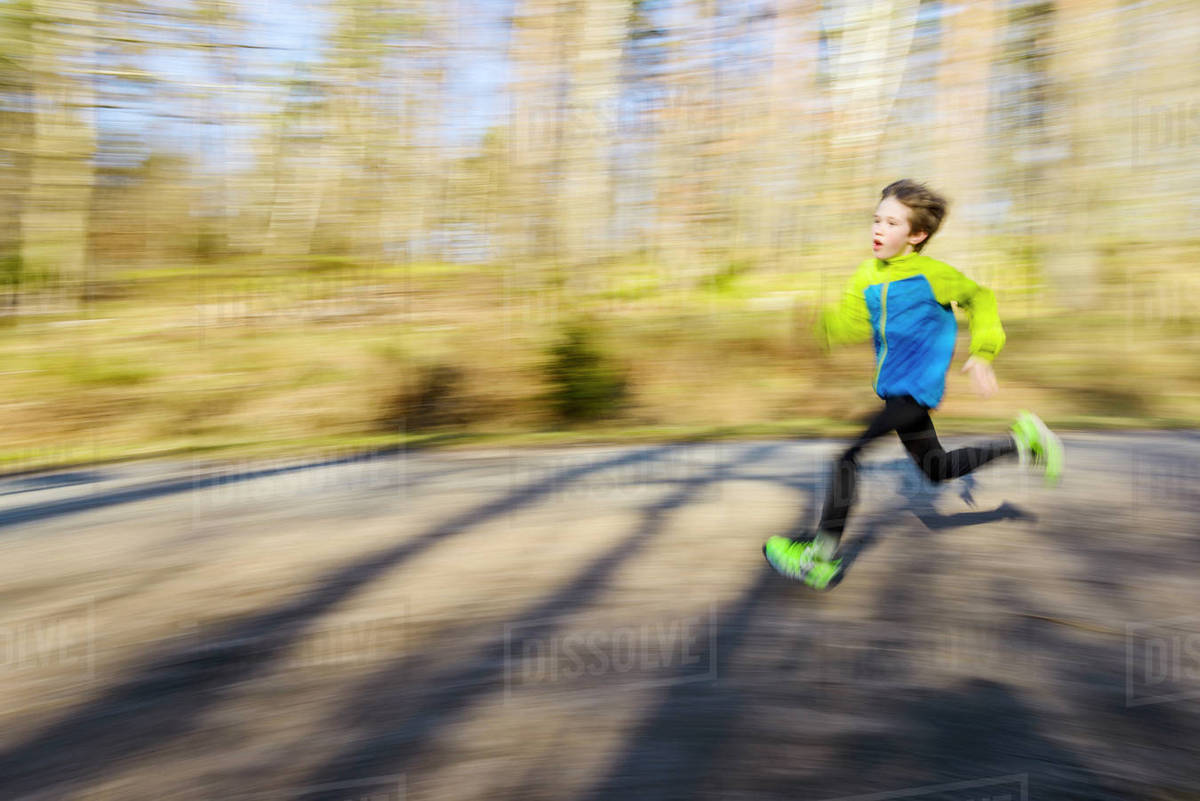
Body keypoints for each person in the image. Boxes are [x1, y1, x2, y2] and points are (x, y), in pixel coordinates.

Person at [763, 179, 1063, 589]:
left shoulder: (933, 275)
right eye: (876, 220)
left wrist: (984, 352)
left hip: (915, 390)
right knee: (937, 469)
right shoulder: (865, 275)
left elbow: (981, 298)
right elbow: (851, 322)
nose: (878, 229)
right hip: (892, 391)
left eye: (891, 222)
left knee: (847, 458)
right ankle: (1023, 442)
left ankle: (821, 554)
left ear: (916, 235)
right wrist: (819, 325)